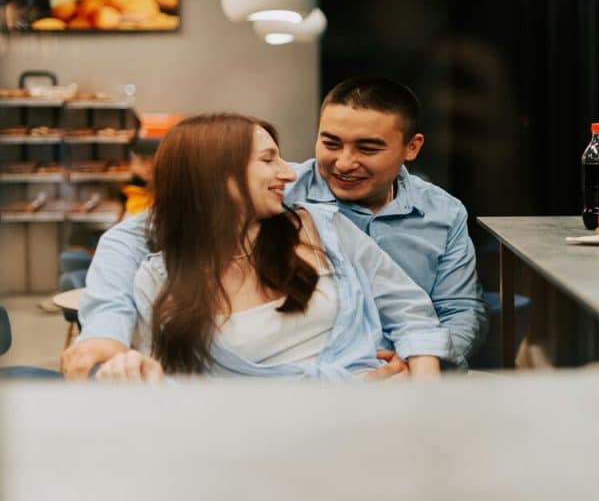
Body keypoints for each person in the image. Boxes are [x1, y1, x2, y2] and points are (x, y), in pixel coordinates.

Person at [62, 76, 487, 378]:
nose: (342, 162)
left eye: (368, 148)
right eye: (330, 143)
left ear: (411, 148)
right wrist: (105, 341)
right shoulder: (290, 193)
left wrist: (418, 366)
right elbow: (147, 233)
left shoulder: (442, 213)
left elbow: (451, 312)